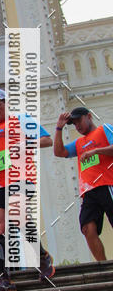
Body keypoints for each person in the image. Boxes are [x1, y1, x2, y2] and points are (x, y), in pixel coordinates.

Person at [0, 89, 54, 291]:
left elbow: (47, 140)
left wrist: (25, 144)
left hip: (18, 177)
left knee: (19, 217)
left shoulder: (22, 119)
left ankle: (42, 258)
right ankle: (5, 279)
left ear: (7, 103)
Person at [53, 107, 113, 261]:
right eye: (73, 123)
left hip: (108, 184)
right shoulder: (79, 143)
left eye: (79, 120)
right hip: (89, 191)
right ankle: (104, 267)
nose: (77, 126)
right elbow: (59, 152)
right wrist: (59, 127)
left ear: (89, 116)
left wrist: (96, 151)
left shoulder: (104, 129)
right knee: (87, 228)